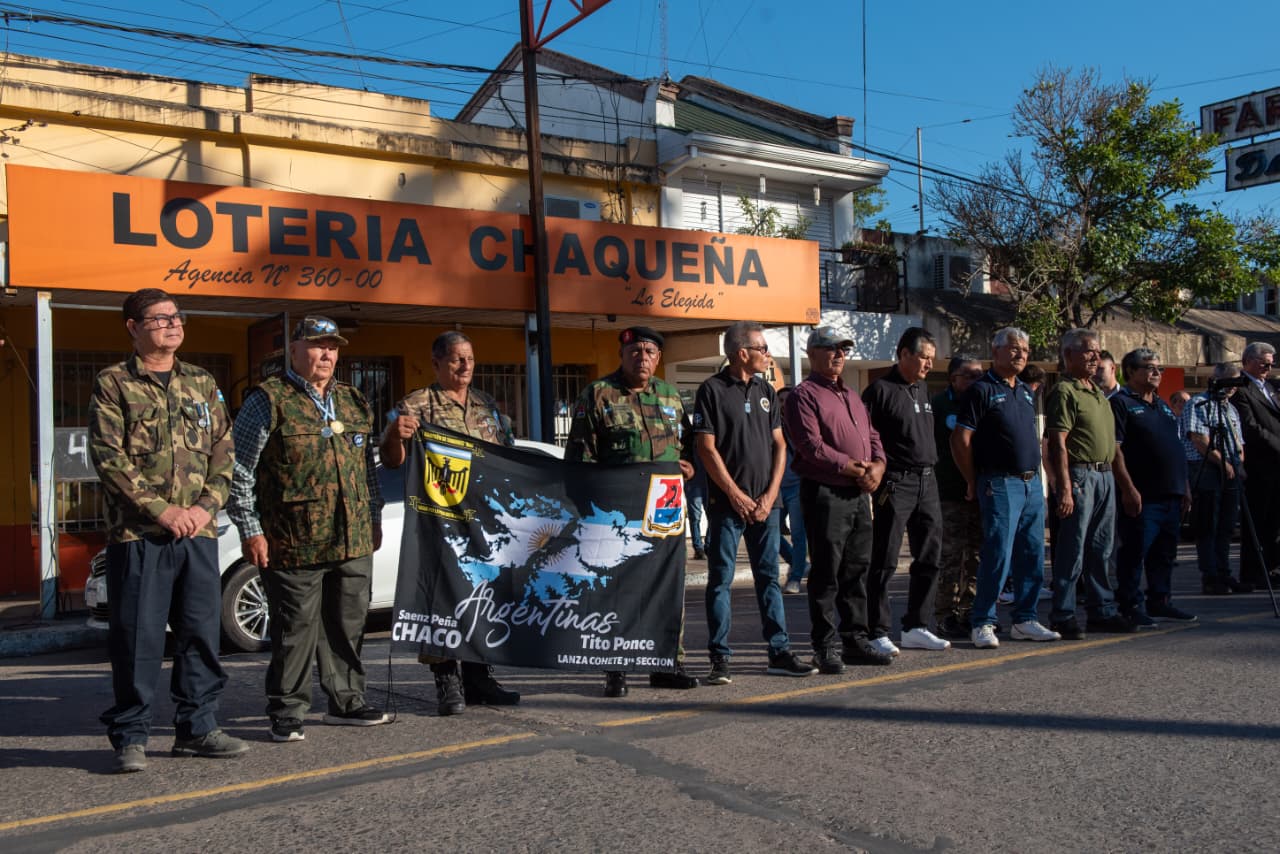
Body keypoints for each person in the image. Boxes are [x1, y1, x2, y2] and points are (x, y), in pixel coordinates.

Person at [88, 288, 248, 773]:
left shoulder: (201, 382)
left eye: (177, 317)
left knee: (200, 633)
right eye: (159, 319)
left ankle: (198, 729)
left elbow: (224, 449)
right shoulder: (113, 382)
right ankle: (131, 735)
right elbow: (108, 457)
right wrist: (161, 510)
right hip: (140, 536)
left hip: (197, 533)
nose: (173, 325)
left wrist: (205, 507)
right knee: (138, 639)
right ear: (134, 328)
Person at [227, 316, 389, 743]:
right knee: (295, 628)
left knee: (348, 623)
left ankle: (347, 701)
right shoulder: (269, 399)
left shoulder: (353, 400)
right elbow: (239, 470)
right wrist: (250, 529)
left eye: (333, 347)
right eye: (317, 345)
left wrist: (373, 515)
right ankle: (287, 709)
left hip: (351, 537)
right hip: (293, 538)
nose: (327, 354)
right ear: (294, 349)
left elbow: (367, 469)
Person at [379, 331, 521, 715]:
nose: (465, 366)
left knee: (482, 597)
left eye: (470, 359)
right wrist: (396, 433)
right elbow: (389, 456)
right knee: (441, 599)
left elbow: (506, 455)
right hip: (439, 521)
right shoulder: (413, 404)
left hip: (483, 521)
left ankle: (479, 678)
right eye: (457, 359)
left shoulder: (486, 405)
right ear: (437, 362)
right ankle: (447, 681)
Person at [565, 326, 700, 697]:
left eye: (650, 352)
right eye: (636, 351)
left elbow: (687, 445)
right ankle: (616, 667)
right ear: (622, 355)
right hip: (617, 513)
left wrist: (688, 465)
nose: (643, 358)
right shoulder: (598, 394)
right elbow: (579, 458)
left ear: (659, 358)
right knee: (618, 589)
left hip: (665, 508)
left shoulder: (671, 396)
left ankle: (668, 661)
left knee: (667, 585)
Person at [693, 322, 817, 684]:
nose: (768, 354)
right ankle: (720, 658)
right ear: (742, 352)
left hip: (768, 505)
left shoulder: (766, 390)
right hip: (727, 505)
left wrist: (769, 494)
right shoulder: (711, 390)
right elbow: (705, 447)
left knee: (769, 579)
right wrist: (735, 495)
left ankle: (779, 651)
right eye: (762, 348)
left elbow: (780, 445)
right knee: (720, 580)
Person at [783, 326, 892, 669]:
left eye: (843, 350)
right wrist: (852, 467)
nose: (838, 355)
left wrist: (877, 465)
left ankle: (855, 638)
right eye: (831, 349)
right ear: (813, 353)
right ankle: (826, 643)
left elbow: (873, 436)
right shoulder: (804, 395)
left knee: (856, 569)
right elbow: (810, 446)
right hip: (826, 492)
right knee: (827, 571)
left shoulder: (852, 396)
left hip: (859, 493)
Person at [951, 327, 1061, 648]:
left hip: (1031, 484)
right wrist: (972, 480)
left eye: (1025, 350)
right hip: (998, 483)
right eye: (1013, 348)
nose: (1020, 354)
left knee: (1032, 554)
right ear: (995, 351)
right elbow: (961, 439)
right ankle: (983, 621)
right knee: (998, 554)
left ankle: (1025, 618)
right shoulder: (981, 390)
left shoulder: (1026, 391)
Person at [861, 327, 949, 653]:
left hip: (928, 481)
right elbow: (866, 439)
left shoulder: (923, 389)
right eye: (923, 357)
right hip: (896, 482)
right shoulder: (879, 391)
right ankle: (877, 630)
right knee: (884, 558)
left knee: (930, 557)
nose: (928, 364)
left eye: (931, 358)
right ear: (904, 354)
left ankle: (917, 625)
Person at [1044, 329, 1133, 638]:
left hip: (1105, 474)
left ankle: (1102, 611)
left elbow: (1115, 447)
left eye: (1097, 351)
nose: (1095, 356)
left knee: (1102, 547)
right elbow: (1057, 442)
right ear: (1068, 355)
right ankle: (1064, 613)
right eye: (1087, 351)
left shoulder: (1098, 393)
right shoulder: (1065, 391)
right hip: (1081, 475)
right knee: (1072, 549)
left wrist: (1128, 487)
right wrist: (1064, 487)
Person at [1110, 349, 1197, 625]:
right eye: (1149, 368)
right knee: (1135, 552)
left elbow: (1176, 449)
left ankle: (1160, 600)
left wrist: (1184, 486)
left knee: (1165, 554)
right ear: (1130, 371)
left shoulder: (1161, 406)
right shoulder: (1121, 403)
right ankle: (1130, 604)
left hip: (1171, 493)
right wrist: (1128, 489)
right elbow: (1115, 450)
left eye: (1159, 368)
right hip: (1142, 495)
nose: (1156, 373)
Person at [1182, 363, 1249, 595]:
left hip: (1231, 472)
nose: (1232, 387)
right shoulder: (1198, 403)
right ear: (1216, 379)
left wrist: (1238, 463)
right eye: (1228, 381)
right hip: (1207, 470)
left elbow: (1239, 442)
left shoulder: (1230, 408)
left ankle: (1224, 572)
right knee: (1208, 525)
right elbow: (1199, 440)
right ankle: (1210, 575)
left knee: (1227, 526)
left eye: (1235, 382)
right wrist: (1224, 463)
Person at [932, 356, 985, 640]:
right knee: (950, 557)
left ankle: (970, 611)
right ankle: (945, 615)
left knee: (976, 556)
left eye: (979, 375)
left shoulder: (984, 400)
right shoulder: (939, 405)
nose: (976, 380)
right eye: (969, 376)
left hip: (981, 492)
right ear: (953, 378)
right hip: (949, 492)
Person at [1233, 342, 1280, 589]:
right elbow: (1251, 428)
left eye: (1271, 363)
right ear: (1248, 361)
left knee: (1273, 522)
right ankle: (1252, 572)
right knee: (1258, 522)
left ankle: (1271, 567)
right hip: (1259, 465)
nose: (1269, 368)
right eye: (1265, 363)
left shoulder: (1269, 387)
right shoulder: (1241, 388)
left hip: (1275, 467)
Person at [776, 387, 809, 594]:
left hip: (797, 485)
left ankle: (795, 577)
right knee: (771, 532)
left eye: (788, 400)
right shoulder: (772, 424)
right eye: (780, 400)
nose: (784, 404)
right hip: (776, 487)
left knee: (798, 533)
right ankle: (798, 563)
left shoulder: (802, 424)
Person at [686, 444, 708, 561]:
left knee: (713, 514)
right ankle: (698, 548)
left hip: (710, 478)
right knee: (695, 516)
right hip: (694, 480)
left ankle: (708, 546)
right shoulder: (688, 431)